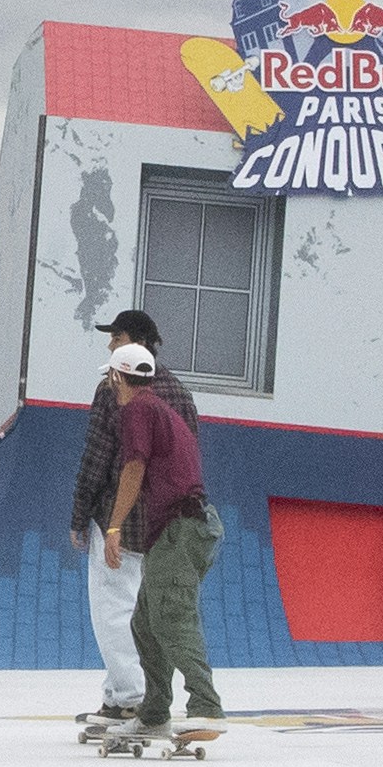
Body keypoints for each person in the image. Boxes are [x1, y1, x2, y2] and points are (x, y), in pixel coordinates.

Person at [103, 346, 223, 737]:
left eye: (110, 377)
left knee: (172, 617)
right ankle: (154, 713)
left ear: (117, 377)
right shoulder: (161, 409)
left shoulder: (137, 409)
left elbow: (133, 467)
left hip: (180, 527)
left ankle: (207, 707)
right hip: (184, 526)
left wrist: (114, 527)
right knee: (145, 622)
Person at [67, 314, 173, 733]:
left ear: (138, 341)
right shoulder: (176, 389)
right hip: (162, 518)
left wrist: (80, 515)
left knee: (113, 609)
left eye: (117, 337)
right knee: (145, 610)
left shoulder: (112, 387)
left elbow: (98, 457)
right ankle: (118, 694)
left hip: (118, 517)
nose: (110, 345)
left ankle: (131, 698)